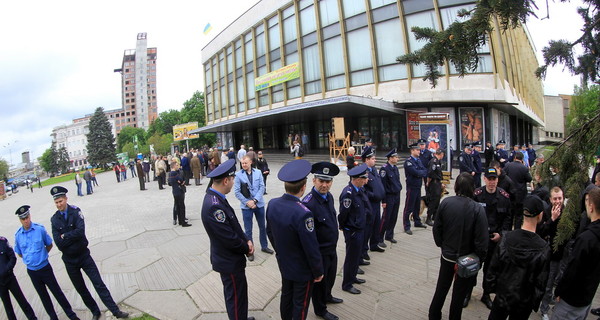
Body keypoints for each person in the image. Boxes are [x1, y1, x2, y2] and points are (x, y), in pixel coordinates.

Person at [49, 186, 129, 320]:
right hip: (69, 261)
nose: (59, 204)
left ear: (66, 199)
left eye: (61, 201)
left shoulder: (76, 212)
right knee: (81, 289)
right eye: (56, 202)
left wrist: (65, 236)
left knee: (98, 284)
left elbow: (80, 232)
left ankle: (115, 311)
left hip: (84, 256)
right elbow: (58, 243)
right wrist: (69, 237)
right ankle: (95, 311)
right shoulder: (54, 219)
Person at [266, 160, 323, 320]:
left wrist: (280, 252)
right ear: (304, 187)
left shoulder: (273, 204)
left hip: (284, 261)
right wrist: (318, 270)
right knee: (301, 303)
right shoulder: (304, 213)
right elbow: (311, 247)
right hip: (302, 268)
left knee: (287, 295)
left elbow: (269, 232)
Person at [201, 159, 255, 320]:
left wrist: (247, 239)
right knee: (236, 298)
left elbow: (233, 223)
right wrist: (247, 247)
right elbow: (229, 239)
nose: (233, 183)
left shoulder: (218, 197)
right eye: (232, 180)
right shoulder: (213, 206)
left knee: (239, 294)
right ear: (226, 180)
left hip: (230, 259)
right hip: (228, 261)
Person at [429, 173, 488, 320]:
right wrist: (480, 257)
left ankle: (434, 315)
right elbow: (482, 238)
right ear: (472, 188)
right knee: (459, 294)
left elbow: (437, 229)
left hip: (447, 255)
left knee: (441, 289)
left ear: (456, 187)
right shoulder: (477, 208)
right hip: (466, 259)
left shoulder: (446, 203)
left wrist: (442, 245)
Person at [486, 195, 550, 319]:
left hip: (502, 297)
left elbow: (493, 268)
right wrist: (534, 303)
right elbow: (541, 283)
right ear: (540, 215)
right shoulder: (543, 248)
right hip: (524, 303)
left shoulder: (506, 238)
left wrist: (492, 289)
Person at [13, 205, 80, 320]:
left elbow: (49, 244)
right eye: (23, 219)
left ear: (30, 216)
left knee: (57, 292)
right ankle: (53, 317)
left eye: (27, 217)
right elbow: (19, 253)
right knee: (43, 296)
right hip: (32, 271)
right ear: (20, 220)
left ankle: (71, 315)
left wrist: (42, 256)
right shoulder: (18, 235)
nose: (26, 220)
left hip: (45, 268)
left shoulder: (39, 229)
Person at [466, 168, 512, 309]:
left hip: (494, 240)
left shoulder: (504, 197)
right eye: (489, 179)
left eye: (494, 179)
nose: (492, 182)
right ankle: (468, 293)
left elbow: (508, 219)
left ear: (497, 180)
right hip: (478, 240)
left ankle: (486, 295)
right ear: (484, 179)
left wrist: (502, 235)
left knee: (491, 270)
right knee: (473, 267)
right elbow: (470, 217)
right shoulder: (476, 195)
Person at [302, 162, 343, 320]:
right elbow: (308, 235)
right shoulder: (308, 203)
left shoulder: (329, 197)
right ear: (314, 181)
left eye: (328, 181)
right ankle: (320, 309)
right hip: (319, 252)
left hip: (331, 248)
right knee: (319, 283)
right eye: (321, 181)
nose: (325, 185)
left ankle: (328, 296)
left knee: (331, 277)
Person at [552, 187, 600, 319]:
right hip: (587, 297)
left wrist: (559, 291)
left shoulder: (586, 239)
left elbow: (573, 269)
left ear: (591, 207)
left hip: (572, 300)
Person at [338, 164, 370, 295]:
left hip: (359, 228)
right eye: (364, 178)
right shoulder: (348, 193)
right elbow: (343, 214)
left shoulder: (359, 190)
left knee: (356, 255)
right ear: (357, 179)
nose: (365, 180)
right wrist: (345, 228)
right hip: (352, 230)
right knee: (351, 257)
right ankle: (347, 284)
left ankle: (353, 277)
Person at [234, 156, 273, 260]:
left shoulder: (258, 172)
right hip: (246, 206)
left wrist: (255, 200)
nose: (244, 165)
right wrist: (248, 202)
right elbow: (237, 192)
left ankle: (264, 246)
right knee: (248, 230)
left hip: (259, 204)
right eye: (242, 163)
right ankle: (250, 251)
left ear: (251, 162)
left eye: (246, 163)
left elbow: (262, 187)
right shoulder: (238, 175)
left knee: (262, 227)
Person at [537, 187, 566, 320]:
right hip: (549, 254)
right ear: (550, 199)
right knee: (548, 283)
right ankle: (544, 309)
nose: (558, 201)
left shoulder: (566, 212)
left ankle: (552, 301)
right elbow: (541, 232)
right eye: (555, 198)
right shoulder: (546, 212)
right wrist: (552, 220)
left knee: (558, 280)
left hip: (562, 253)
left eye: (560, 198)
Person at [0, 235, 37, 320]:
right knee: (7, 306)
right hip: (0, 283)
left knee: (21, 300)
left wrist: (7, 269)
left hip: (10, 278)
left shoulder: (2, 241)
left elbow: (12, 257)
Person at [361, 147, 385, 258]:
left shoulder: (374, 170)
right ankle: (364, 251)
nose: (375, 160)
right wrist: (372, 195)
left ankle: (374, 244)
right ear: (366, 160)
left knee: (376, 224)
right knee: (368, 227)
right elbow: (361, 189)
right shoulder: (362, 172)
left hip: (377, 203)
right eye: (373, 158)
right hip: (369, 203)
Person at [403, 143, 428, 235]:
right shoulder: (408, 162)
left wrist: (419, 173)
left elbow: (425, 171)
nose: (419, 151)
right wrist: (419, 173)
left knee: (417, 205)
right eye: (417, 150)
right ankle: (406, 226)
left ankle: (417, 221)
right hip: (411, 187)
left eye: (419, 150)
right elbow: (415, 172)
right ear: (412, 151)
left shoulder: (418, 160)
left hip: (418, 186)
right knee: (408, 207)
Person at [379, 148, 403, 243]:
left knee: (394, 216)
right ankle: (380, 237)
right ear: (390, 158)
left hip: (396, 195)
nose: (397, 159)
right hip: (389, 196)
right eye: (396, 157)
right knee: (386, 218)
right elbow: (383, 186)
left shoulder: (395, 168)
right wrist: (383, 201)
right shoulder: (384, 169)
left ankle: (389, 235)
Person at [504, 152, 532, 229]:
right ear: (522, 159)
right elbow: (529, 179)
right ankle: (517, 231)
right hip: (520, 196)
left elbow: (503, 175)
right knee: (519, 216)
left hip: (509, 194)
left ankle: (508, 232)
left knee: (509, 215)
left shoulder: (508, 166)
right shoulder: (524, 168)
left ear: (515, 158)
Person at [425, 149, 445, 227]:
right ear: (441, 154)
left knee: (437, 201)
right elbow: (430, 174)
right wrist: (428, 183)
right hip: (434, 183)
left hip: (438, 183)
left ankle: (435, 216)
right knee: (433, 201)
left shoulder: (438, 161)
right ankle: (428, 218)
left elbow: (439, 173)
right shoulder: (433, 161)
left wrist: (441, 183)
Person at [169, 161, 191, 227]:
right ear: (173, 166)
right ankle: (183, 222)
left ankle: (180, 221)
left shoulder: (170, 174)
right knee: (181, 206)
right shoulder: (174, 173)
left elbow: (171, 182)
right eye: (176, 165)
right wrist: (180, 182)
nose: (177, 166)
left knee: (178, 206)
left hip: (175, 191)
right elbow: (181, 180)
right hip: (179, 191)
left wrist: (179, 181)